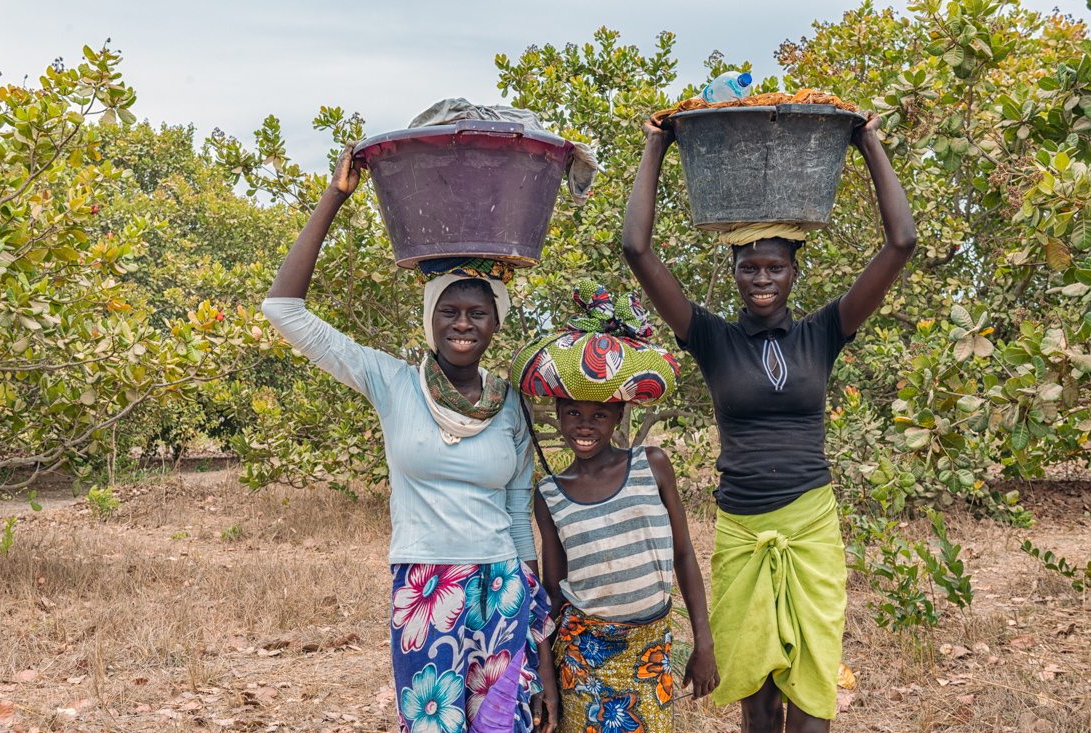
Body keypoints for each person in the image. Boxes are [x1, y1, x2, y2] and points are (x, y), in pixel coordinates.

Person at [620, 113, 916, 733]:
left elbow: (901, 244)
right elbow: (637, 250)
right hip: (741, 529)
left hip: (810, 526)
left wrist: (867, 142)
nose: (761, 280)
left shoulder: (824, 332)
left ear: (793, 273)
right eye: (749, 267)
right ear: (735, 271)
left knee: (811, 699)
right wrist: (657, 144)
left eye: (775, 268)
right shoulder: (711, 337)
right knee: (757, 700)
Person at [261, 143, 557, 733]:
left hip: (501, 584)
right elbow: (284, 310)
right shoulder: (392, 383)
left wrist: (538, 643)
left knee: (503, 725)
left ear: (495, 322)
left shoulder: (512, 404)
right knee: (433, 724)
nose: (463, 325)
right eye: (450, 311)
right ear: (430, 318)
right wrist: (335, 196)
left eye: (478, 312)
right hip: (424, 585)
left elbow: (520, 517)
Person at [510, 280, 719, 733]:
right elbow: (553, 590)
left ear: (619, 417)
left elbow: (684, 556)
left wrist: (704, 643)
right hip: (585, 655)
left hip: (651, 647)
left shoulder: (653, 465)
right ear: (557, 416)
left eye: (598, 415)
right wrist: (546, 675)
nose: (583, 427)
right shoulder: (550, 494)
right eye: (572, 414)